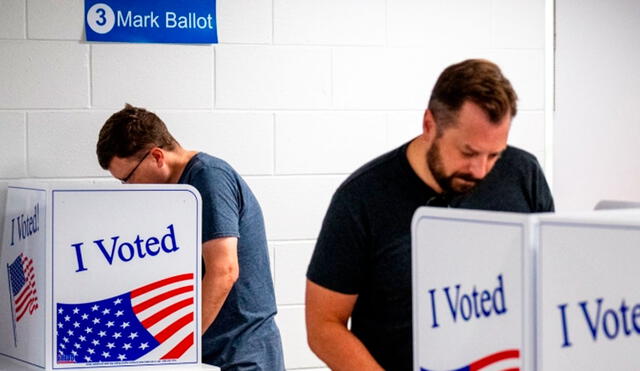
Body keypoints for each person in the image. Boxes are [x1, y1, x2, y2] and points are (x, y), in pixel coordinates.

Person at [305, 59, 554, 371]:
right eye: (467, 153)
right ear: (429, 124)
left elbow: (548, 282)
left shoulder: (522, 173)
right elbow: (324, 326)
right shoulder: (362, 197)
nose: (481, 170)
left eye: (494, 155)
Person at [96, 104, 285, 370]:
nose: (128, 188)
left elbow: (224, 270)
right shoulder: (179, 193)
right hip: (213, 352)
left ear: (157, 157)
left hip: (240, 352)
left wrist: (177, 350)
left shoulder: (209, 178)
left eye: (128, 178)